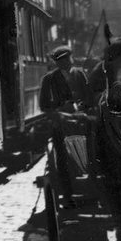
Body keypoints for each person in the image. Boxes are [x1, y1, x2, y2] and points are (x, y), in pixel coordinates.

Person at [41, 45, 94, 200]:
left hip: (83, 120)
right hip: (62, 123)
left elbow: (89, 98)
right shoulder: (49, 79)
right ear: (58, 63)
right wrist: (60, 112)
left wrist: (82, 108)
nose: (67, 63)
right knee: (62, 156)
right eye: (62, 61)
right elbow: (44, 106)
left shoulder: (80, 74)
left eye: (68, 59)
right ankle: (67, 191)